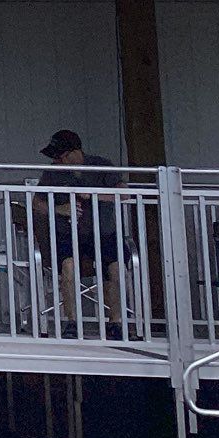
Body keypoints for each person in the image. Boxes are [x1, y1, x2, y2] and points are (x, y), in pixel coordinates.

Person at [37, 129, 128, 337]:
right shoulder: (53, 172)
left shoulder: (101, 165)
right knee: (68, 266)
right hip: (69, 235)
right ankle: (72, 323)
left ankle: (115, 322)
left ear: (74, 153)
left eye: (61, 157)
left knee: (116, 267)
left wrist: (95, 195)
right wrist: (59, 209)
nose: (58, 162)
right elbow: (37, 203)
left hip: (103, 234)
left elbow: (124, 193)